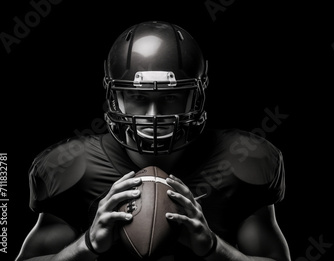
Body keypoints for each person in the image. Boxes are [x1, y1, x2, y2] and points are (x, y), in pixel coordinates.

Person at [16, 21, 290, 261]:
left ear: (197, 95)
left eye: (170, 98)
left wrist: (213, 247)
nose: (153, 116)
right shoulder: (70, 167)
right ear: (115, 98)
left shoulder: (244, 160)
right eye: (138, 98)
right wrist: (86, 245)